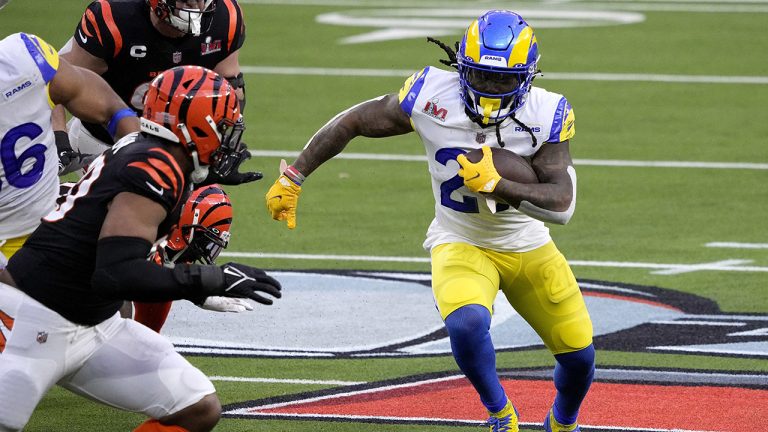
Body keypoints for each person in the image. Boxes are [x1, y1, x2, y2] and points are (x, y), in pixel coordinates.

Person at [265, 10, 594, 432]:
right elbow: (353, 121)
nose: (491, 89)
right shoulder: (430, 94)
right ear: (460, 68)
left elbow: (562, 204)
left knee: (579, 358)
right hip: (460, 238)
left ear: (527, 76)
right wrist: (294, 176)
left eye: (503, 80)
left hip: (525, 243)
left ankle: (563, 423)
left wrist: (499, 185)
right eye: (480, 76)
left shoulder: (546, 112)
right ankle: (500, 414)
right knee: (467, 322)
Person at [0, 65, 281, 432]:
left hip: (94, 325)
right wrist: (211, 278)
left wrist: (206, 172)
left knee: (197, 406)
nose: (229, 138)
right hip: (32, 320)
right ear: (197, 126)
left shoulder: (149, 149)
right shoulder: (156, 167)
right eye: (223, 127)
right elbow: (116, 273)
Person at [52, 0, 257, 186]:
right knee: (132, 216)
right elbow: (56, 80)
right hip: (106, 139)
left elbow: (230, 86)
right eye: (186, 0)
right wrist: (59, 139)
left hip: (178, 147)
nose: (196, 8)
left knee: (204, 213)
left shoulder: (225, 16)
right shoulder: (114, 17)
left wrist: (221, 149)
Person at [0, 31, 138, 279]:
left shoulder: (26, 57)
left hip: (41, 229)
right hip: (23, 247)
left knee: (110, 289)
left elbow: (100, 100)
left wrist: (139, 149)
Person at [133, 183, 254, 333]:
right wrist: (195, 292)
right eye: (203, 240)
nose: (206, 249)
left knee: (148, 332)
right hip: (99, 297)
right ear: (189, 224)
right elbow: (130, 273)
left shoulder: (164, 238)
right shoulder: (137, 227)